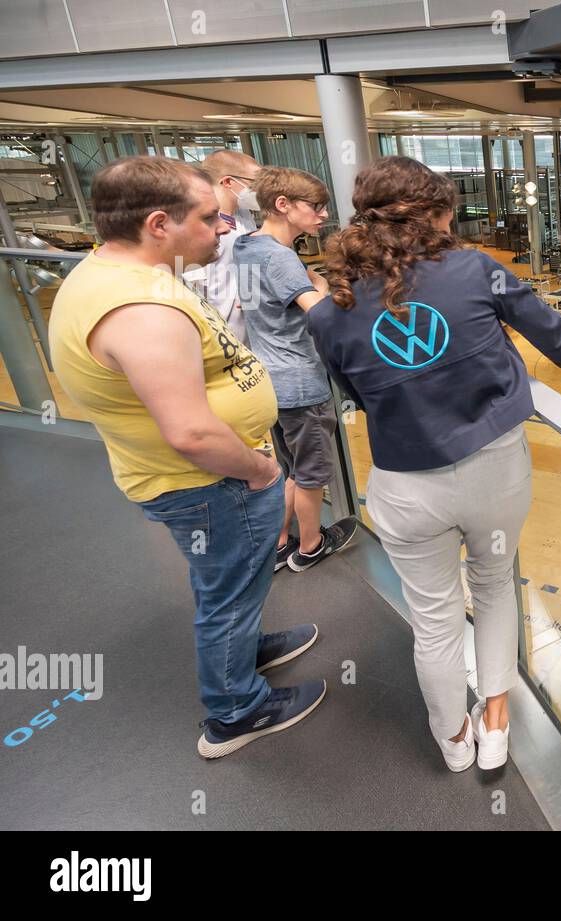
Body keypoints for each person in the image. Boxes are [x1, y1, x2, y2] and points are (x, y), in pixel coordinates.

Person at [310, 156, 561, 772]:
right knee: (492, 589)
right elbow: (547, 327)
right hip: (491, 469)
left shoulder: (330, 309)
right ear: (433, 216)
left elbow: (354, 392)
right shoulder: (472, 271)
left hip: (404, 485)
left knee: (433, 622)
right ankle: (496, 720)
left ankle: (451, 739)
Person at [48, 155, 326, 759]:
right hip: (208, 482)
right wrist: (263, 470)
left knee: (230, 585)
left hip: (195, 481)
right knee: (226, 594)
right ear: (157, 224)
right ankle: (236, 711)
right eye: (208, 218)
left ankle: (246, 649)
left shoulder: (115, 276)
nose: (224, 228)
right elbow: (191, 433)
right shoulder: (141, 310)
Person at [230, 166, 359, 573]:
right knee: (312, 475)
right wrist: (322, 289)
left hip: (269, 379)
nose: (323, 215)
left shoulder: (246, 246)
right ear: (283, 206)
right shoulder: (280, 257)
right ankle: (310, 546)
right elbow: (320, 315)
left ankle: (279, 541)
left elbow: (260, 301)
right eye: (315, 207)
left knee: (291, 469)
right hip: (301, 383)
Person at [180, 148, 263, 342]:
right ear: (227, 182)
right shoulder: (198, 227)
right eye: (256, 183)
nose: (262, 190)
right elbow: (193, 287)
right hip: (221, 330)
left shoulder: (243, 216)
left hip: (251, 326)